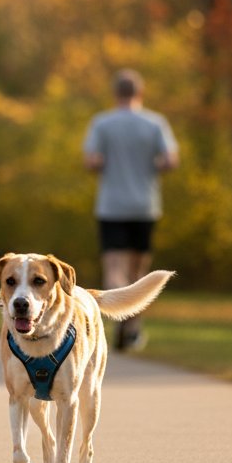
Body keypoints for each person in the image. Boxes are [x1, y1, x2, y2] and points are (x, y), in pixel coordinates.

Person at [82, 69, 178, 352]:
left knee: (114, 268)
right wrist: (151, 166)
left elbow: (91, 161)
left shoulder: (102, 123)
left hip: (111, 206)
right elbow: (171, 160)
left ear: (115, 94)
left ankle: (117, 316)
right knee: (139, 270)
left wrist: (107, 164)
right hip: (145, 206)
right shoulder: (155, 123)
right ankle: (132, 327)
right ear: (140, 93)